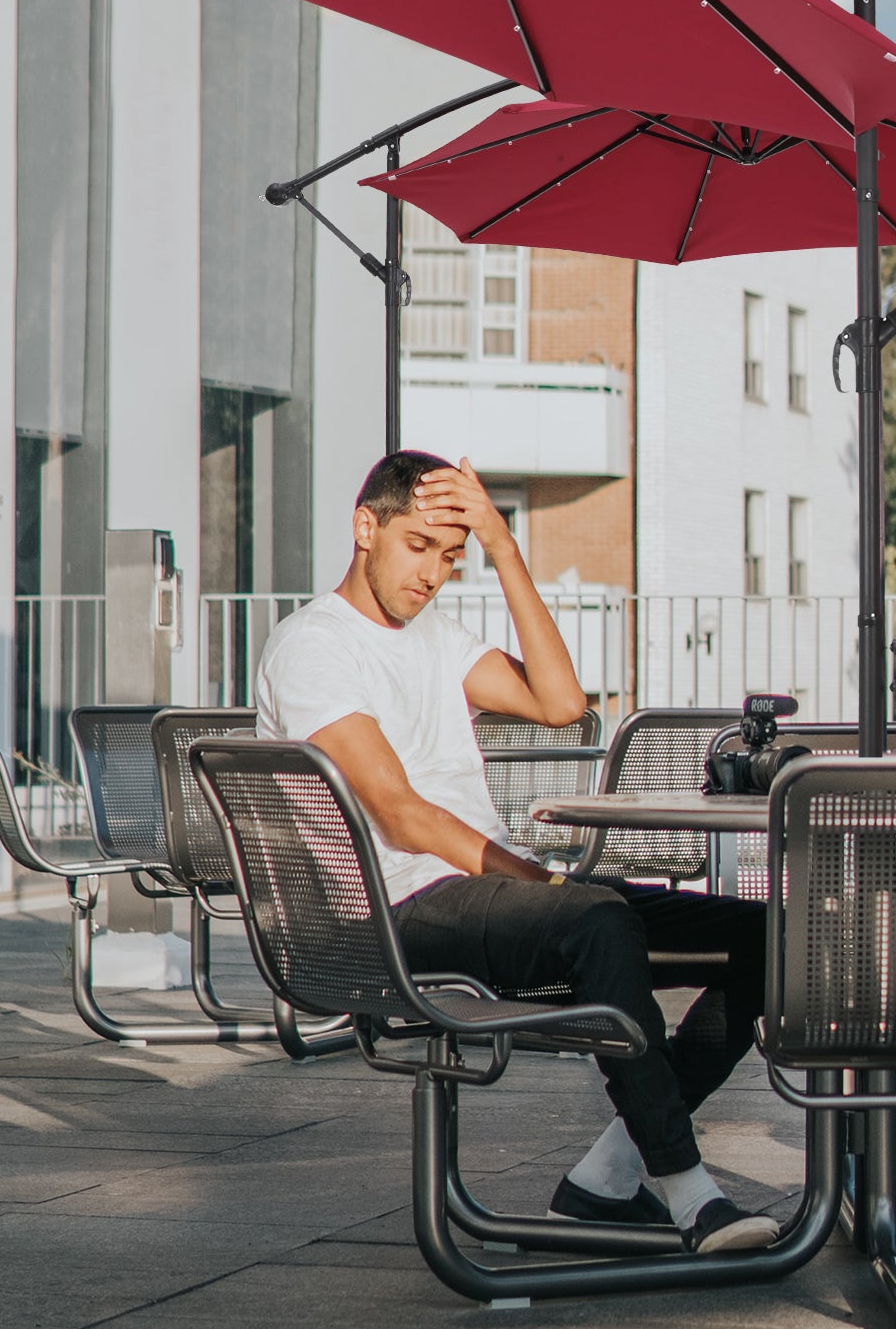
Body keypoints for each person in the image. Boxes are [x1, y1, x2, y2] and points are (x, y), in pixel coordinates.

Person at [255, 449, 779, 1255]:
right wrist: (537, 879)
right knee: (598, 917)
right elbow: (401, 817)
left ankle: (605, 1179)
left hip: (474, 894)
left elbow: (561, 702)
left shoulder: (435, 637)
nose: (432, 574)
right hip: (393, 909)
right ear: (367, 528)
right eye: (419, 546)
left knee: (774, 941)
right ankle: (687, 1190)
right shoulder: (315, 648)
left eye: (451, 559)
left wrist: (504, 548)